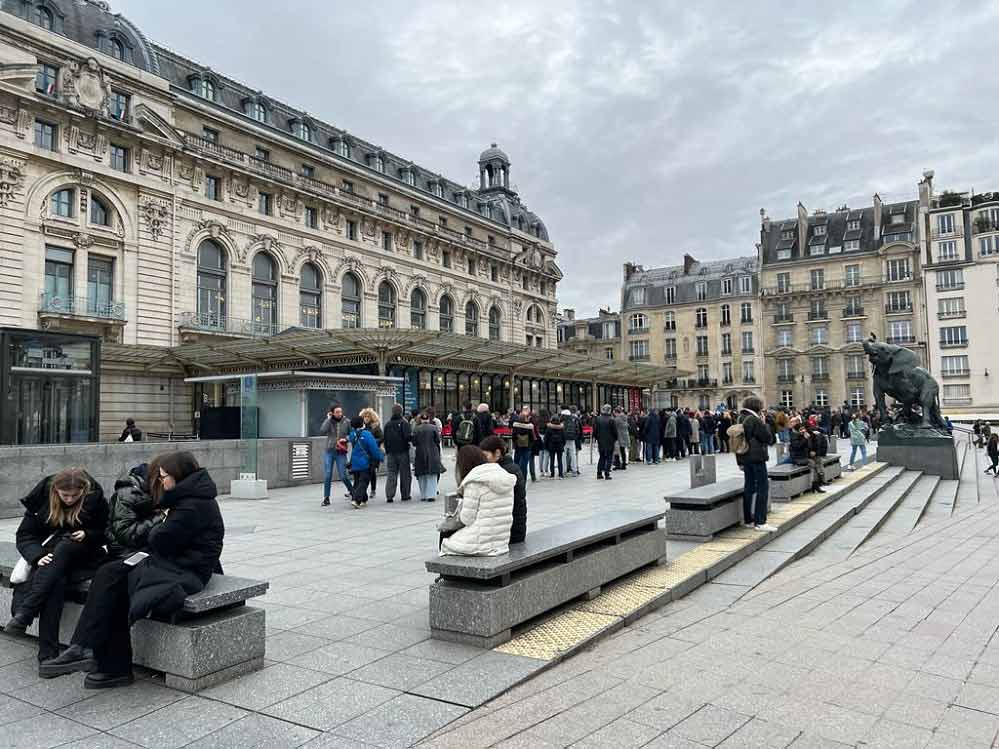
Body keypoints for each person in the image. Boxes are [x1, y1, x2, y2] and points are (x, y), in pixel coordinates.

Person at [39, 460, 164, 681]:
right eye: (161, 477)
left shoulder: (186, 502)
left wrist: (161, 517)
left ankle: (88, 651)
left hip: (171, 564)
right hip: (136, 555)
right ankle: (97, 658)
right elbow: (122, 534)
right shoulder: (131, 495)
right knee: (103, 577)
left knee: (110, 577)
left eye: (166, 476)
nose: (164, 481)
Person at [5, 468, 109, 669]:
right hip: (50, 560)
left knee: (67, 544)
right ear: (55, 490)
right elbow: (25, 536)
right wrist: (38, 556)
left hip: (84, 557)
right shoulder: (42, 501)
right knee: (55, 582)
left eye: (74, 495)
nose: (69, 499)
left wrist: (87, 534)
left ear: (84, 491)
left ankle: (27, 611)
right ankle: (47, 657)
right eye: (65, 495)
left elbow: (106, 532)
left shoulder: (95, 502)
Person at [440, 445, 516, 557]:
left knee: (445, 538)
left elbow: (467, 519)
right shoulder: (502, 475)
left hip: (481, 543)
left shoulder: (475, 481)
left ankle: (448, 573)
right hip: (501, 541)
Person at [736, 397, 777, 532]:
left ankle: (748, 519)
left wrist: (740, 461)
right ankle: (760, 521)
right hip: (757, 458)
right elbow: (768, 438)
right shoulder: (755, 419)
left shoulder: (740, 418)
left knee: (749, 487)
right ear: (757, 406)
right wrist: (764, 423)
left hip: (745, 457)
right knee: (762, 488)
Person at [481, 436, 526, 544]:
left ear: (497, 453)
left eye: (485, 455)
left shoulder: (504, 472)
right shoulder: (511, 467)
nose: (483, 460)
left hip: (508, 533)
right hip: (512, 530)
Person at [347, 416, 384, 508]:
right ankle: (356, 500)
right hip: (365, 463)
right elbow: (373, 448)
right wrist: (380, 457)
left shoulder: (352, 434)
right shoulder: (367, 434)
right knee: (363, 482)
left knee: (357, 481)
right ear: (362, 423)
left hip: (355, 463)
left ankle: (364, 499)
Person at [320, 404, 353, 505]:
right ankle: (326, 498)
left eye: (340, 412)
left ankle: (352, 491)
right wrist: (328, 419)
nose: (339, 414)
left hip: (341, 452)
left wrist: (346, 439)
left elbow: (352, 434)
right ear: (332, 413)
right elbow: (322, 431)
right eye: (337, 412)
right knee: (327, 475)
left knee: (343, 476)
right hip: (329, 451)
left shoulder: (347, 422)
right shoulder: (329, 421)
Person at [382, 404, 412, 503]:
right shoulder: (404, 423)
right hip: (403, 452)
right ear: (401, 412)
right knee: (405, 474)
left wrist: (387, 451)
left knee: (391, 473)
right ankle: (405, 495)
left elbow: (384, 439)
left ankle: (389, 495)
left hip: (391, 453)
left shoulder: (387, 424)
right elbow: (408, 437)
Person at [413, 410, 444, 502]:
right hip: (433, 453)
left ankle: (423, 495)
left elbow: (414, 442)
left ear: (421, 419)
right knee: (432, 475)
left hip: (420, 453)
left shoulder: (416, 429)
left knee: (422, 475)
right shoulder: (434, 428)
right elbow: (438, 441)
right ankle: (431, 495)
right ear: (429, 419)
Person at [790, 419, 825, 494]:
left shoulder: (808, 435)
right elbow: (798, 447)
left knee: (818, 460)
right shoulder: (794, 437)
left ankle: (819, 482)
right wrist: (805, 439)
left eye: (803, 429)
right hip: (798, 458)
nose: (803, 430)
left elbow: (813, 445)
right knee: (812, 463)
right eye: (801, 429)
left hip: (806, 456)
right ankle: (815, 485)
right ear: (797, 431)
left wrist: (814, 451)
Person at [359, 408, 384, 501]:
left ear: (372, 417)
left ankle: (373, 489)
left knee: (372, 471)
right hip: (364, 452)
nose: (366, 418)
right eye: (364, 416)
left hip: (373, 452)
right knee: (363, 471)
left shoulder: (375, 427)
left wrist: (372, 442)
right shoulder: (361, 427)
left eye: (368, 416)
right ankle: (361, 490)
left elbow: (382, 437)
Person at [511, 408, 536, 480]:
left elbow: (513, 437)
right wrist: (530, 445)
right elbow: (532, 438)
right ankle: (523, 478)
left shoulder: (515, 426)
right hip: (527, 447)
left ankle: (516, 477)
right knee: (524, 464)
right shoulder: (529, 426)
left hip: (518, 447)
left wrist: (515, 444)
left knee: (516, 462)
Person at [594, 404, 617, 480]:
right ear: (609, 410)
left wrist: (597, 438)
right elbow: (615, 432)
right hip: (610, 441)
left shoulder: (598, 419)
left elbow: (595, 431)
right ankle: (607, 473)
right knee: (609, 457)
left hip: (601, 441)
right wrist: (614, 439)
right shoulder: (612, 419)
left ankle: (599, 473)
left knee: (602, 457)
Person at [562, 408, 580, 477]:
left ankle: (564, 471)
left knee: (563, 455)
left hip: (564, 440)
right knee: (573, 455)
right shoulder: (574, 419)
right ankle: (574, 470)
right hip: (572, 439)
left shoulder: (562, 420)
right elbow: (578, 430)